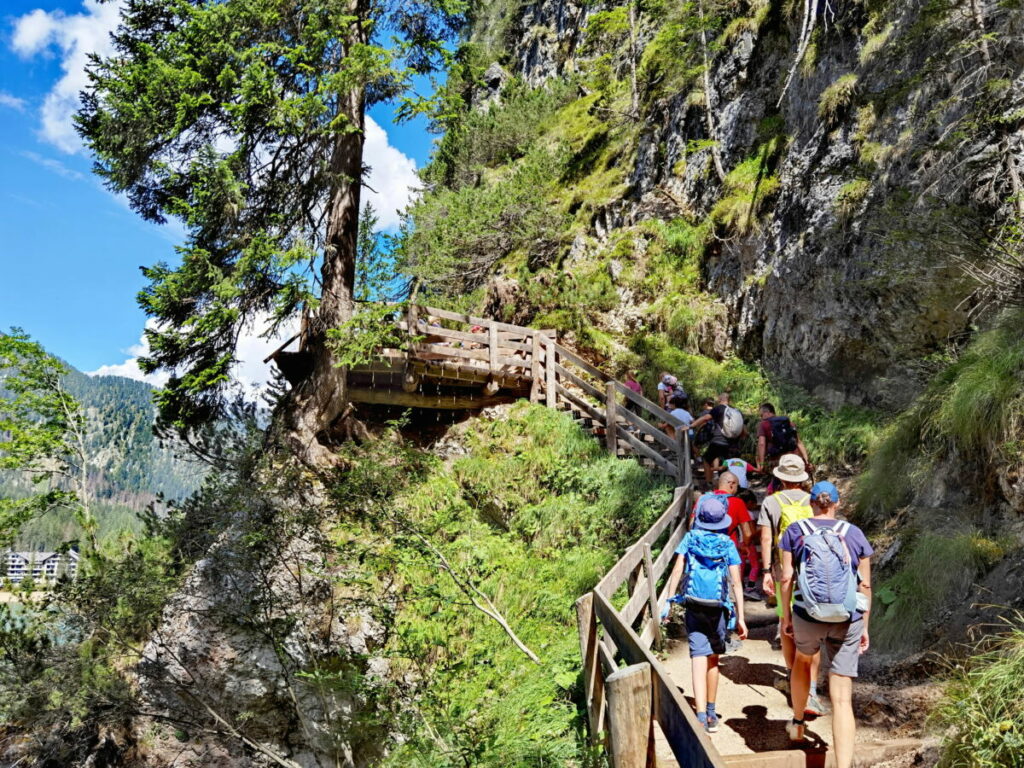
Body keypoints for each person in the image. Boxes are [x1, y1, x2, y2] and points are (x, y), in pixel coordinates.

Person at [779, 481, 873, 768]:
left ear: (811, 504)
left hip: (807, 614)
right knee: (842, 698)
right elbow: (865, 584)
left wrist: (785, 616)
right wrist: (865, 625)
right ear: (837, 503)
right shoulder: (853, 533)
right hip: (847, 618)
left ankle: (797, 723)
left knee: (802, 662)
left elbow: (786, 578)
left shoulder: (794, 531)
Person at [663, 495, 748, 734]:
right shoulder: (727, 544)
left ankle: (700, 715)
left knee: (698, 658)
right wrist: (740, 617)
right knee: (713, 659)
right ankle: (711, 712)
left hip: (694, 605)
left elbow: (678, 568)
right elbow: (736, 582)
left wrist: (669, 601)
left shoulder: (690, 538)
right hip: (718, 608)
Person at [756, 453, 826, 716]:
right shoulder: (814, 501)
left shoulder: (772, 502)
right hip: (813, 571)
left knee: (785, 622)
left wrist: (765, 571)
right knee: (813, 629)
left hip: (781, 569)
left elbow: (765, 538)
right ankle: (812, 691)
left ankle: (791, 676)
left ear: (781, 477)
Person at [711, 472, 757, 601]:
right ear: (731, 484)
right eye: (737, 485)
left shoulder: (703, 499)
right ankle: (733, 616)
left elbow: (691, 525)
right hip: (728, 550)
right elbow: (747, 533)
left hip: (705, 550)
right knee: (731, 587)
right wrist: (746, 546)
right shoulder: (737, 502)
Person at [689, 392, 747, 487]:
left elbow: (705, 418)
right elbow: (744, 431)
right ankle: (734, 486)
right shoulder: (736, 411)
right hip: (733, 444)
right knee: (728, 464)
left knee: (707, 459)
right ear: (729, 400)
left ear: (719, 400)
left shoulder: (719, 408)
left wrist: (691, 426)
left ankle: (709, 484)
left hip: (718, 441)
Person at [756, 403, 812, 490]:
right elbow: (799, 442)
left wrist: (762, 463)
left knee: (779, 482)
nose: (761, 417)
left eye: (761, 414)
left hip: (777, 459)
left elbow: (761, 444)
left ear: (767, 412)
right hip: (793, 456)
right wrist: (806, 460)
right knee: (794, 481)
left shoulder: (764, 424)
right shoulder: (789, 423)